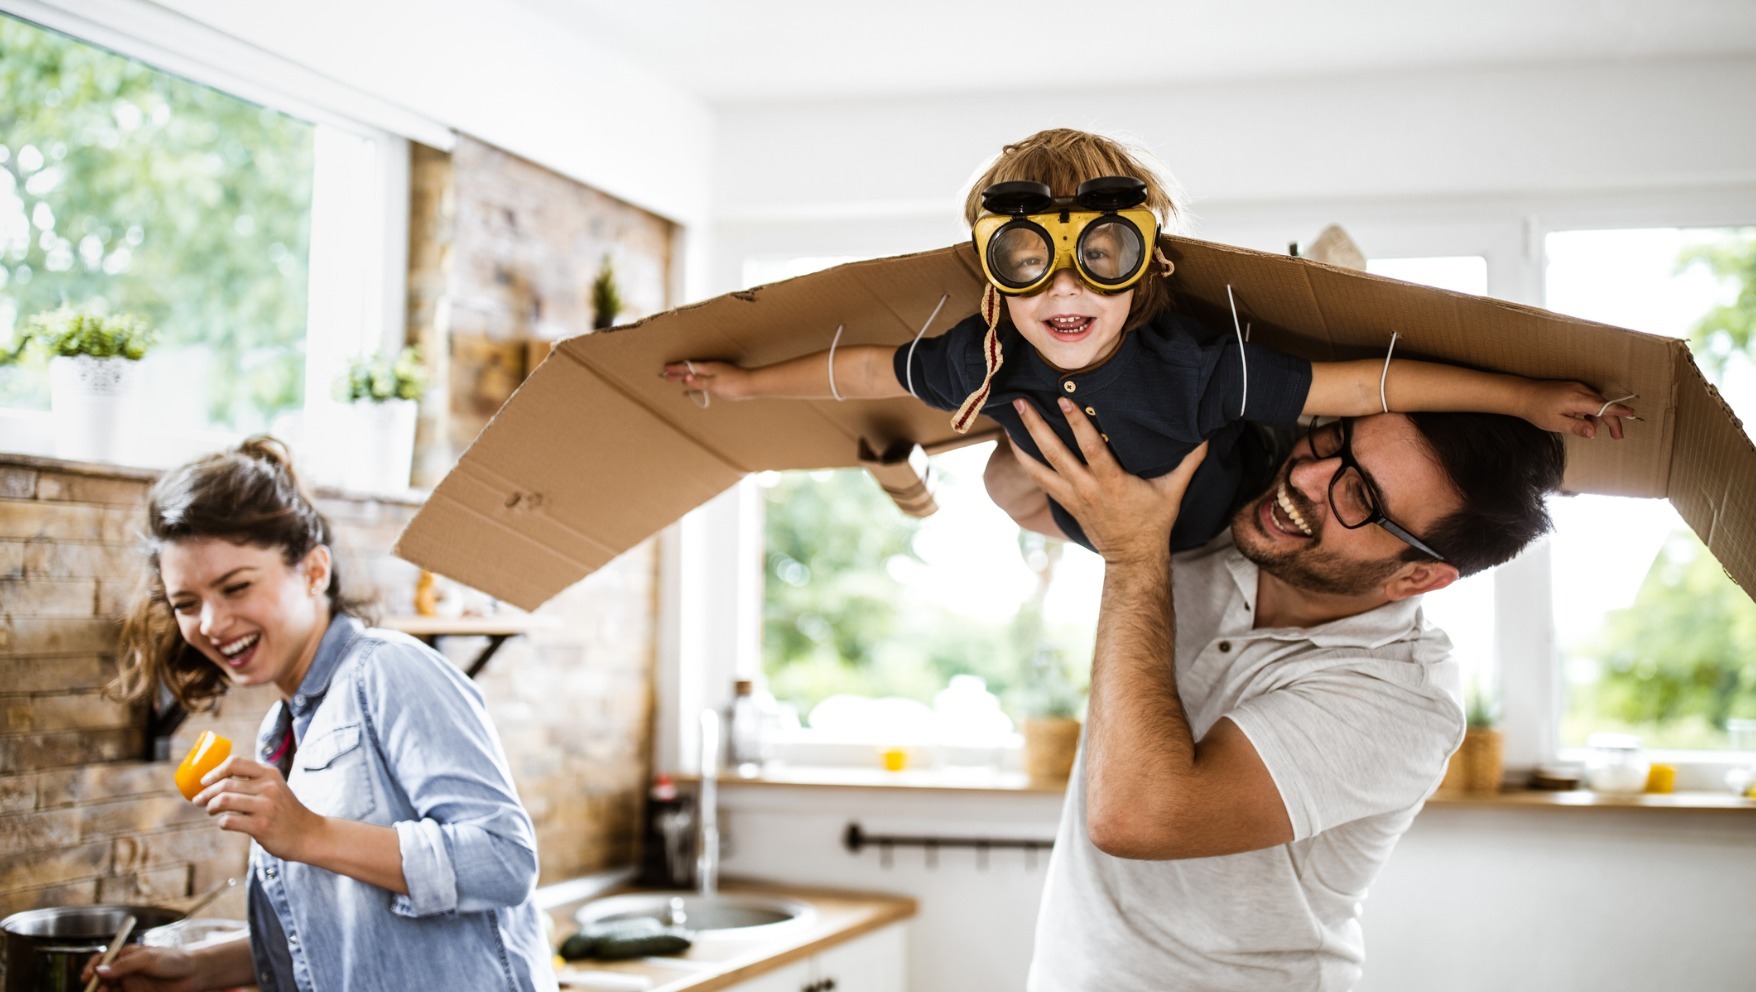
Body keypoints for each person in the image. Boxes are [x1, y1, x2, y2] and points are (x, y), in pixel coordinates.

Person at [661, 128, 1630, 554]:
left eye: (1103, 250)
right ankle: (949, 488)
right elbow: (867, 364)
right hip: (1080, 523)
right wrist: (744, 384)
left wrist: (1523, 396)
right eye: (1029, 255)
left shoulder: (1199, 367)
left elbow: (1367, 384)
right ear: (995, 265)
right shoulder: (989, 352)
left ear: (1147, 266)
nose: (1066, 287)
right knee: (1003, 483)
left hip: (1211, 528)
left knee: (1023, 474)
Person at [993, 396, 1567, 990]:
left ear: (1416, 575)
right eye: (1333, 440)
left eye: (1360, 497)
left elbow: (1136, 817)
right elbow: (1018, 491)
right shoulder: (1224, 525)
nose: (1306, 476)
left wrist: (1134, 550)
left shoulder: (1401, 701)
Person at [92, 437, 556, 992]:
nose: (211, 624)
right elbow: (343, 930)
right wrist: (198, 969)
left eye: (236, 587)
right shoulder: (285, 728)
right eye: (187, 604)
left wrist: (308, 832)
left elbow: (505, 863)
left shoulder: (391, 671)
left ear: (314, 571)